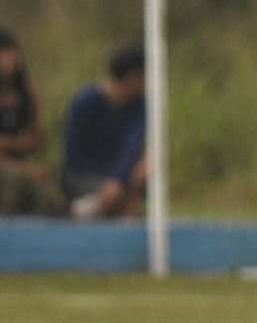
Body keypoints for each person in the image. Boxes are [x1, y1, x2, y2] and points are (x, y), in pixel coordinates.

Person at [61, 43, 147, 220]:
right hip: (83, 174)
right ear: (132, 77)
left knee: (144, 170)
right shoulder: (86, 102)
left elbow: (132, 146)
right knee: (117, 195)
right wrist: (113, 181)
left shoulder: (139, 106)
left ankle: (112, 215)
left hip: (117, 176)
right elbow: (73, 154)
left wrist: (118, 178)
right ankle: (79, 214)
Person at [0, 29, 55, 216]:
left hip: (19, 162)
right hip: (12, 169)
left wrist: (8, 144)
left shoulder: (28, 91)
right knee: (13, 183)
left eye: (10, 54)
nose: (7, 60)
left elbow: (37, 140)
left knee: (46, 197)